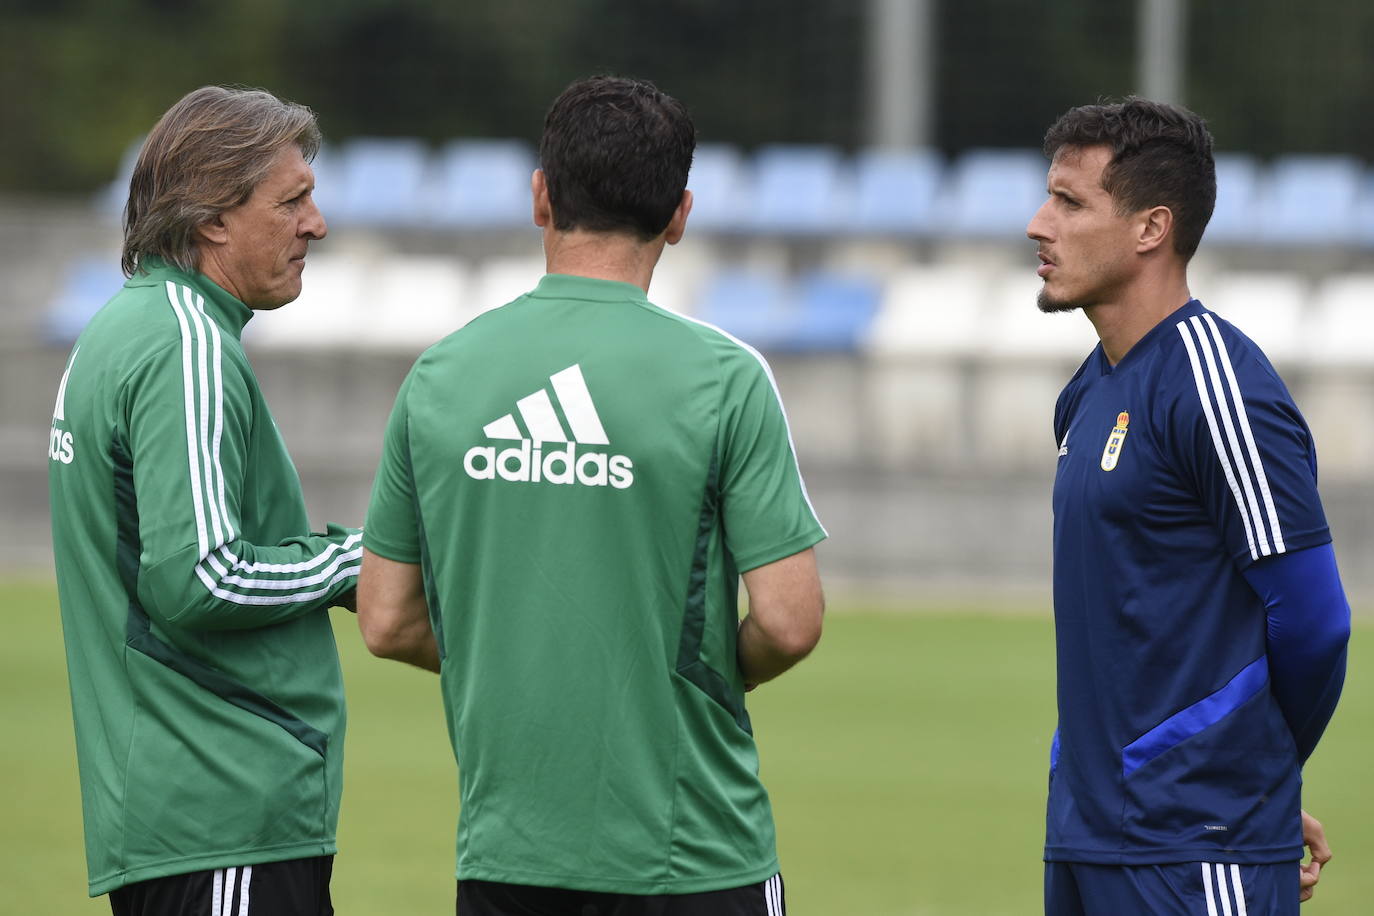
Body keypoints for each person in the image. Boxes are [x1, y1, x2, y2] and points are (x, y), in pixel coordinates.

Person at [358, 75, 826, 916]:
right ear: (680, 215)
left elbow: (386, 619)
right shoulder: (724, 379)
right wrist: (691, 670)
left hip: (507, 857)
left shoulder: (440, 375)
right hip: (692, 858)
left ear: (540, 197)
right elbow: (789, 622)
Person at [1027, 98, 1350, 915]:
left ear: (1150, 228)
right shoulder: (1088, 391)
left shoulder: (1219, 385)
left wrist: (1249, 780)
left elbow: (1315, 620)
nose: (1038, 224)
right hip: (1087, 835)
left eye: (1070, 202)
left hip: (1192, 849)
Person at [48, 85, 359, 916]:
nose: (315, 225)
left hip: (178, 812)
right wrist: (360, 560)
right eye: (291, 201)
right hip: (222, 806)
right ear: (212, 217)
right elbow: (202, 576)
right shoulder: (183, 342)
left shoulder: (127, 326)